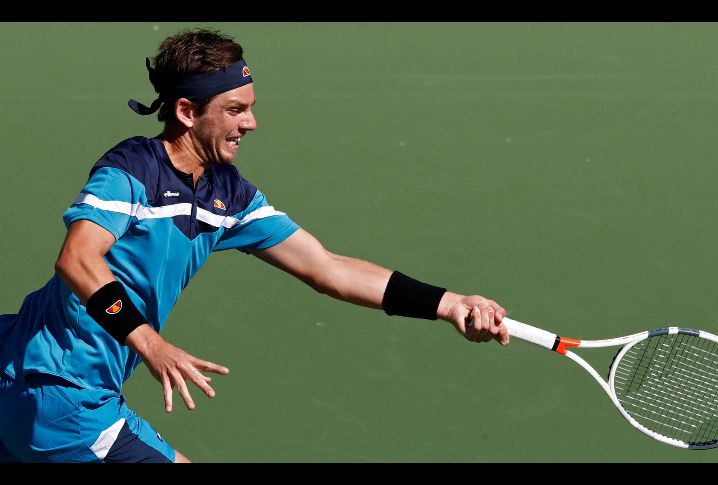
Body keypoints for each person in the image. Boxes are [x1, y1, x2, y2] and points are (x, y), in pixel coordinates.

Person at [0, 28, 509, 463]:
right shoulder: (131, 172)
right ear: (186, 111)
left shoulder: (228, 195)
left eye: (251, 108)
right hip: (60, 395)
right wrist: (148, 342)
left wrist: (447, 303)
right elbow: (77, 258)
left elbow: (328, 267)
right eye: (235, 109)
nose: (251, 123)